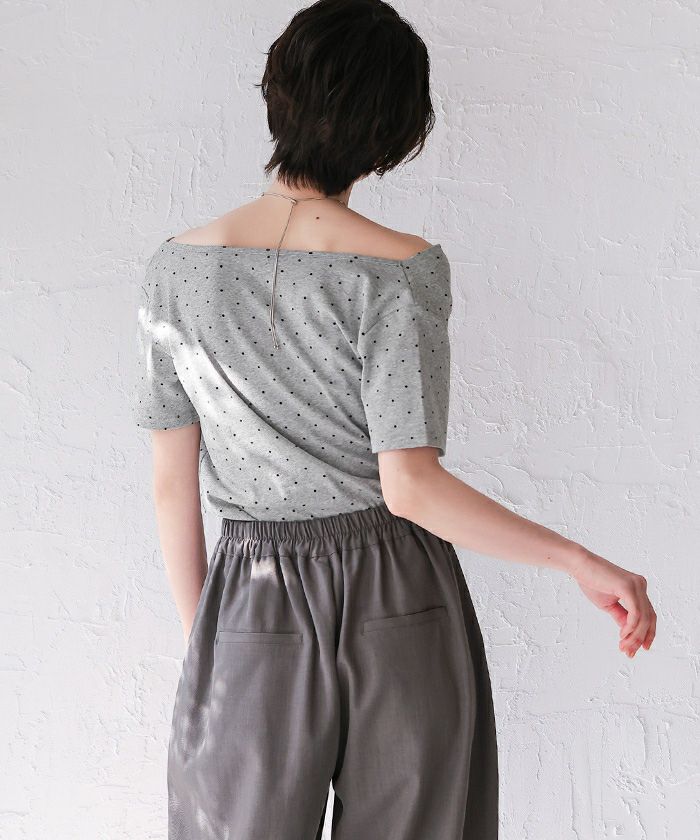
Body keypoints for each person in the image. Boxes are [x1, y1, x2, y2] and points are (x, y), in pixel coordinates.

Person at [133, 1, 657, 837]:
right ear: (391, 131)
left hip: (250, 593)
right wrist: (575, 560)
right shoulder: (401, 270)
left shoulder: (176, 269)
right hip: (396, 582)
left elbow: (171, 484)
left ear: (277, 94)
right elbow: (409, 487)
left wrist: (212, 642)